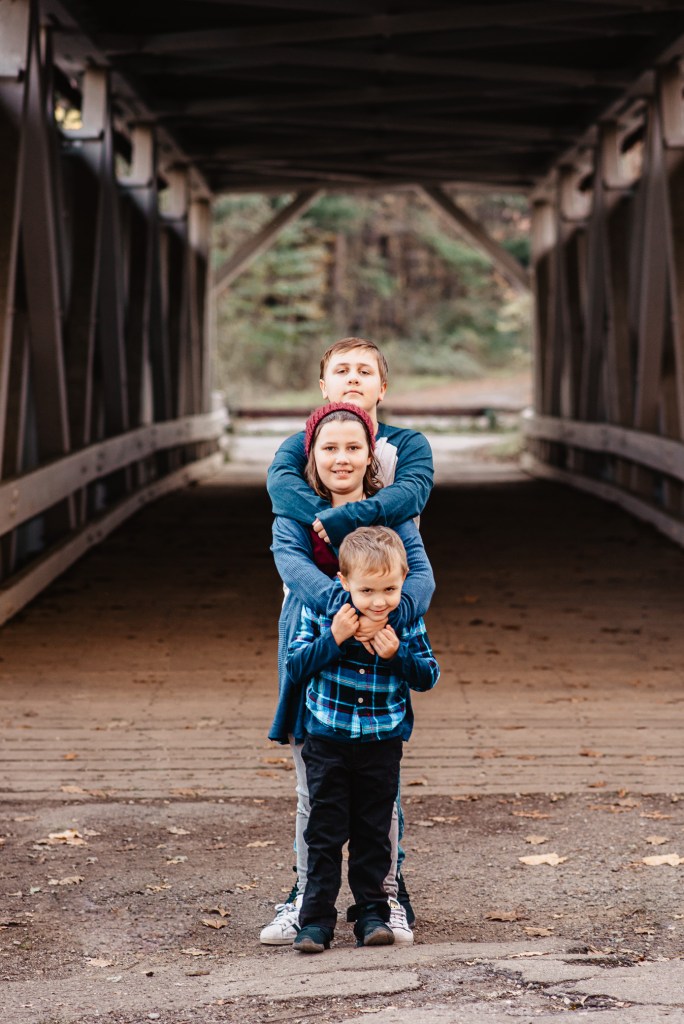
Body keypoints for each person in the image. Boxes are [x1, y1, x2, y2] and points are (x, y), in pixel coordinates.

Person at [262, 391, 434, 947]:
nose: (342, 458)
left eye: (353, 448)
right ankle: (306, 902)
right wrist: (345, 615)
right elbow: (290, 565)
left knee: (379, 799)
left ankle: (383, 900)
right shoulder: (294, 512)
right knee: (313, 792)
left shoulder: (392, 516)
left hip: (382, 665)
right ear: (313, 455)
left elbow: (423, 581)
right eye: (329, 448)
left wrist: (385, 618)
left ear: (370, 455)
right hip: (318, 651)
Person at [288, 525, 439, 953]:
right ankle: (315, 920)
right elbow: (296, 666)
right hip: (327, 739)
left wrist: (397, 656)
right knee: (325, 831)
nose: (378, 601)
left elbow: (429, 675)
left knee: (374, 830)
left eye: (390, 588)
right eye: (367, 589)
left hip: (380, 741)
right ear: (344, 583)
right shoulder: (322, 615)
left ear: (403, 582)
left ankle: (372, 914)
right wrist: (333, 639)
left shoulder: (405, 623)